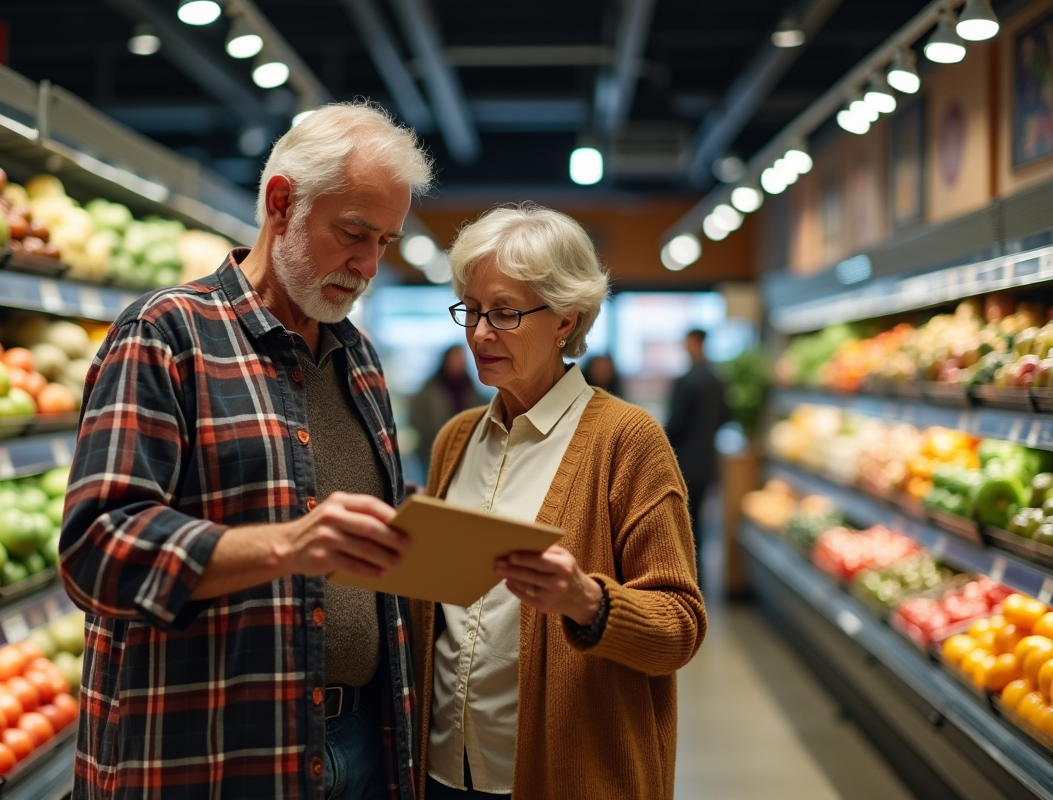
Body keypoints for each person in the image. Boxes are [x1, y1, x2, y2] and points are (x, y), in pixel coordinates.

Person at [59, 101, 434, 800]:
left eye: (385, 241)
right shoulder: (166, 334)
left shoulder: (359, 359)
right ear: (281, 203)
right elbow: (96, 551)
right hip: (215, 753)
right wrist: (287, 545)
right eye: (354, 233)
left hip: (361, 744)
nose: (369, 265)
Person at [412, 204, 706, 800]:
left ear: (566, 319)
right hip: (442, 768)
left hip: (566, 774)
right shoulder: (456, 439)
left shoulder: (627, 441)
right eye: (470, 310)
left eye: (504, 313)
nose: (479, 334)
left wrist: (588, 602)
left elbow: (680, 626)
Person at [663, 328, 728, 577]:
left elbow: (675, 425)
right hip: (709, 463)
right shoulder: (717, 380)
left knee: (684, 526)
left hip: (686, 464)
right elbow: (725, 417)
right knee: (700, 524)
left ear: (694, 343)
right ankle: (700, 578)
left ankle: (686, 577)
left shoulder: (686, 381)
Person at [410, 345, 486, 476]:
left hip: (465, 447)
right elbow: (416, 417)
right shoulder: (431, 388)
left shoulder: (470, 387)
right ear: (446, 360)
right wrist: (437, 434)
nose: (460, 362)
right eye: (456, 357)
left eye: (462, 358)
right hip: (434, 447)